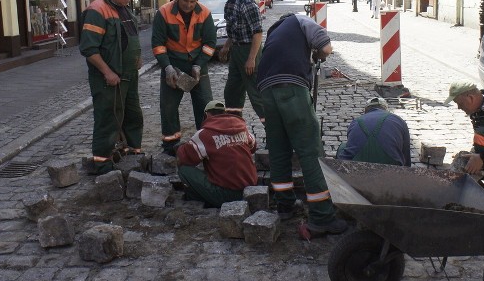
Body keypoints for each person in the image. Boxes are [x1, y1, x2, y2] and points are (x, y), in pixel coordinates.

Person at [257, 13, 347, 235]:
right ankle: (322, 216)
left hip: (266, 92)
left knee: (278, 150)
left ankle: (285, 205)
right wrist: (317, 54)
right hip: (292, 89)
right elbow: (326, 48)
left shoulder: (274, 32)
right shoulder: (301, 20)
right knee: (310, 151)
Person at [79, 0, 144, 174]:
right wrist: (107, 72)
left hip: (128, 75)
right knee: (108, 117)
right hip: (109, 79)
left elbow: (131, 37)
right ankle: (103, 163)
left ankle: (132, 152)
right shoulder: (97, 10)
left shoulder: (123, 10)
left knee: (132, 113)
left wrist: (137, 56)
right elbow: (89, 49)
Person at [152, 0, 217, 155]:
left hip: (197, 65)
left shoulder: (204, 13)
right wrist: (167, 68)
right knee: (168, 107)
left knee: (205, 105)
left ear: (197, 0)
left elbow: (210, 44)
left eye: (192, 1)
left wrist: (199, 65)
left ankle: (205, 141)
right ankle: (171, 144)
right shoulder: (164, 13)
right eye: (185, 0)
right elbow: (158, 44)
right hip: (174, 65)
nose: (188, 4)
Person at [175, 100, 258, 208]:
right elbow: (253, 147)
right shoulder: (243, 128)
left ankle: (202, 200)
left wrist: (182, 147)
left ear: (206, 115)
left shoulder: (204, 134)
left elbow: (184, 158)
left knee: (185, 170)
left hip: (227, 194)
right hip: (251, 189)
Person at [212, 0, 266, 123]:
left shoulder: (246, 2)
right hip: (236, 51)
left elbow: (257, 33)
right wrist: (226, 47)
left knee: (256, 95)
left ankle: (273, 132)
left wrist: (251, 58)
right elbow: (234, 29)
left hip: (249, 49)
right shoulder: (230, 3)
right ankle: (234, 126)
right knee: (232, 92)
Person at [337, 97, 412, 167]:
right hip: (392, 165)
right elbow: (406, 151)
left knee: (343, 146)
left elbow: (351, 143)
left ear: (366, 110)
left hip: (355, 165)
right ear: (385, 109)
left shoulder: (356, 121)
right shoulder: (398, 120)